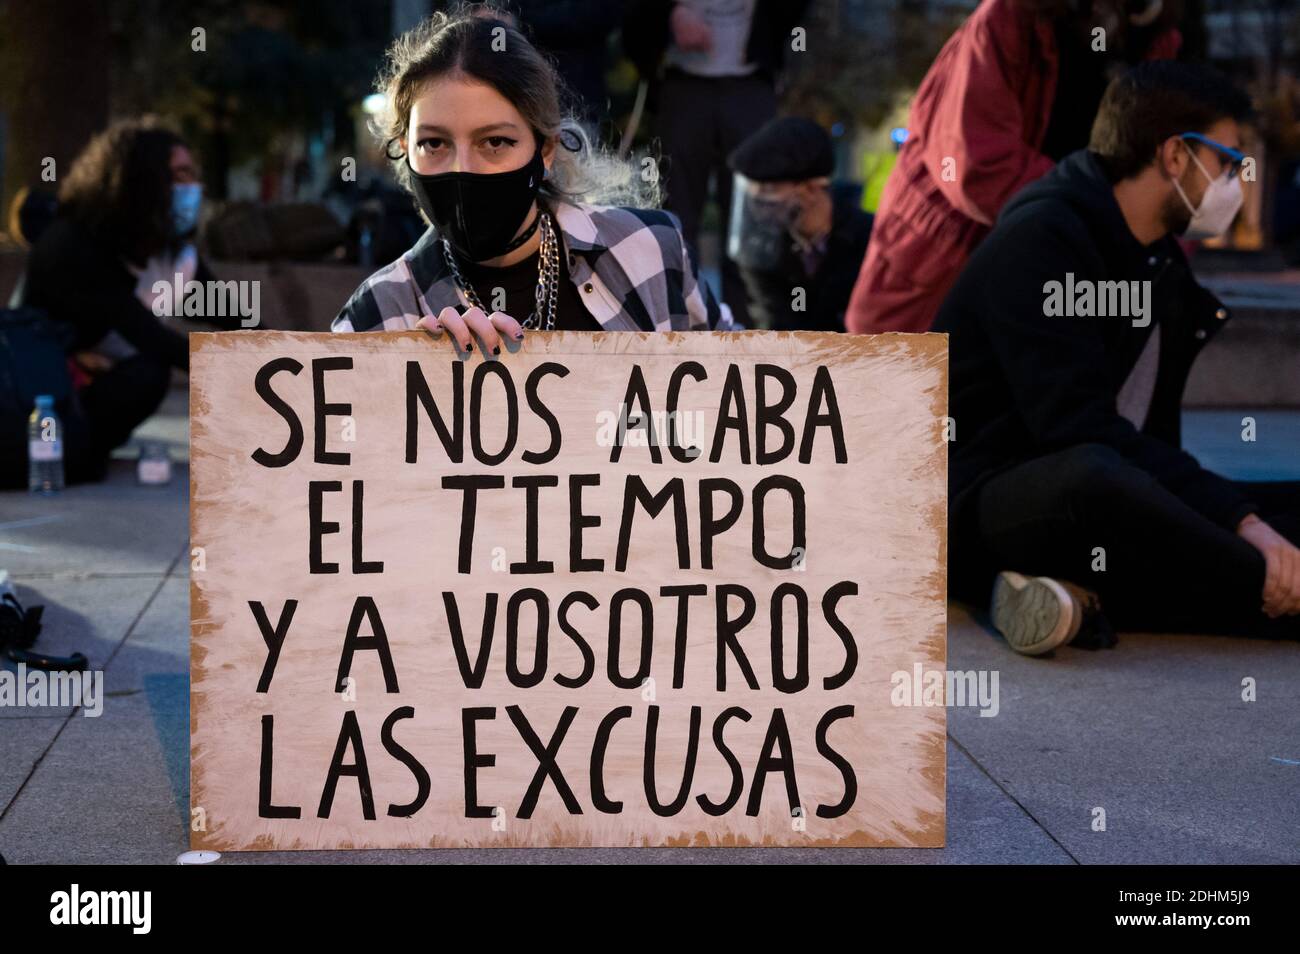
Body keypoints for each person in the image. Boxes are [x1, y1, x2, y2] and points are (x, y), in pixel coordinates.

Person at [935, 61, 1300, 655]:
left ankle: (1073, 593)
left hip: (1102, 497)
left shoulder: (1160, 264)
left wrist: (1242, 515)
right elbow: (1073, 427)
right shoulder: (1044, 240)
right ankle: (1270, 595)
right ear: (1175, 156)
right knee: (1100, 479)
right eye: (1227, 162)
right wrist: (1243, 525)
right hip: (985, 500)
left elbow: (1153, 451)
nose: (1235, 182)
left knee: (1262, 501)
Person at [332, 6, 738, 345]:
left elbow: (741, 386)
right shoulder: (377, 315)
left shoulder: (651, 248)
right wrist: (407, 376)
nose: (463, 169)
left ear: (545, 149)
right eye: (434, 144)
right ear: (404, 147)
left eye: (495, 143)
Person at [845, 0, 1182, 335]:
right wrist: (1102, 208)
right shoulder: (1010, 17)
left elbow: (1161, 178)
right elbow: (978, 163)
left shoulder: (1154, 39)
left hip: (1049, 264)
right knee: (897, 381)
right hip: (947, 257)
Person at [11, 116, 246, 486]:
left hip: (87, 384)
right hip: (36, 396)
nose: (193, 187)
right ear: (140, 183)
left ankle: (85, 447)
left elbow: (232, 316)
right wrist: (255, 377)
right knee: (150, 369)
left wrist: (294, 358)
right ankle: (73, 453)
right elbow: (150, 337)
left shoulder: (167, 252)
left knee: (147, 372)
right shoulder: (73, 245)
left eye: (193, 175)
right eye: (180, 176)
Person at [622, 0, 813, 329]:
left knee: (751, 222)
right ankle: (676, 327)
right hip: (682, 83)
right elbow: (628, 16)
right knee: (674, 220)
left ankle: (750, 336)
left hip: (750, 84)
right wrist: (670, 13)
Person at [725, 116, 872, 333]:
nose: (758, 202)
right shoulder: (763, 250)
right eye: (752, 189)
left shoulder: (872, 241)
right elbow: (775, 322)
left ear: (813, 187)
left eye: (769, 189)